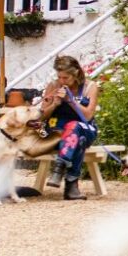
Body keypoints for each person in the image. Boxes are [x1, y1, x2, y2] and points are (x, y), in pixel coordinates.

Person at [38, 55, 100, 200]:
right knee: (80, 139)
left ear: (76, 73)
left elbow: (88, 116)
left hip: (85, 126)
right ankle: (72, 186)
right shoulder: (53, 86)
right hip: (56, 132)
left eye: (65, 78)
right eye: (59, 77)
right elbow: (42, 116)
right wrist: (54, 104)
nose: (61, 81)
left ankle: (59, 168)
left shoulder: (89, 87)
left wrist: (70, 101)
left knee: (74, 127)